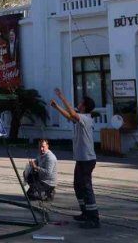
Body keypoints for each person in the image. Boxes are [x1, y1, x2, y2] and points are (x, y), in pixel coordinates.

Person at [50, 88, 99, 229]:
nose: (79, 104)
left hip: (87, 159)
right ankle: (85, 212)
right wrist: (56, 106)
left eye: (81, 103)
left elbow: (72, 113)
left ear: (84, 106)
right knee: (78, 186)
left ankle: (94, 218)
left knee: (86, 187)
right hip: (81, 159)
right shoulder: (81, 119)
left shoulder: (86, 119)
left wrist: (62, 96)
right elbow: (69, 116)